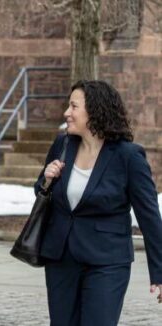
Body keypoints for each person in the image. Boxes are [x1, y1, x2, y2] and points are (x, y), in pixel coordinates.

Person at [36, 80, 162, 325]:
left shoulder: (128, 156)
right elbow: (41, 192)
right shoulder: (62, 145)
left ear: (94, 111)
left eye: (73, 107)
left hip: (108, 262)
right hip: (61, 258)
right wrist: (47, 179)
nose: (66, 113)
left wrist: (159, 271)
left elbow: (149, 216)